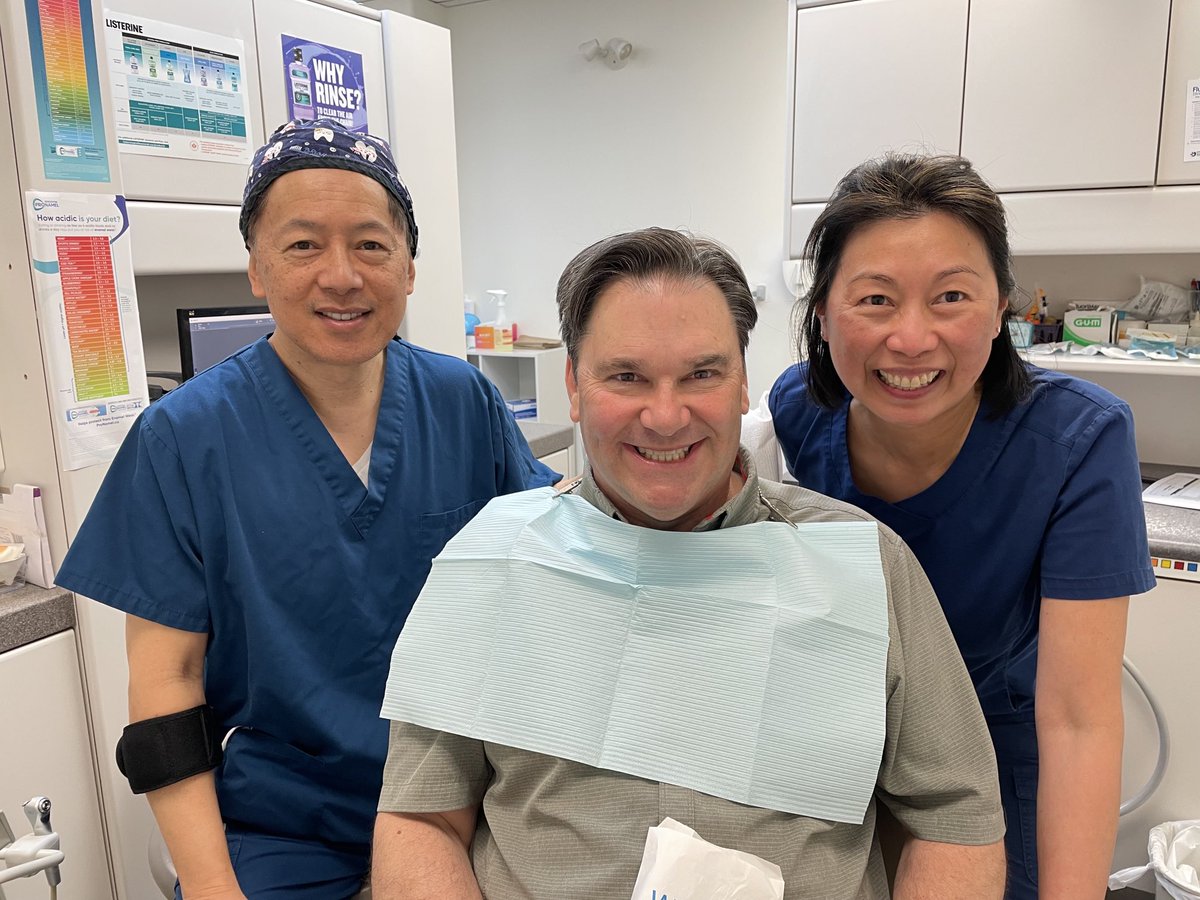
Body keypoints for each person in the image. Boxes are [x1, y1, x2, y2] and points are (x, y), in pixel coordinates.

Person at [371, 227, 1007, 899]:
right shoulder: (495, 562)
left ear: (741, 382)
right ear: (575, 385)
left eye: (701, 374)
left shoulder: (859, 565)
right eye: (627, 377)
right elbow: (422, 818)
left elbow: (954, 817)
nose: (667, 416)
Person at [55, 118, 558, 899]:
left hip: (464, 797)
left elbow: (548, 575)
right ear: (255, 267)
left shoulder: (462, 403)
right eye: (301, 246)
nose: (341, 276)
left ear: (409, 266)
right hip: (285, 826)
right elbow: (165, 692)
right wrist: (216, 890)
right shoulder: (184, 438)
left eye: (369, 244)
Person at [752, 154, 1155, 899]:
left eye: (951, 297)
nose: (911, 339)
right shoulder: (800, 412)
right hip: (844, 749)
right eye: (874, 298)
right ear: (822, 310)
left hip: (996, 753)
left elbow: (1077, 718)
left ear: (1001, 305)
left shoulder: (1078, 441)